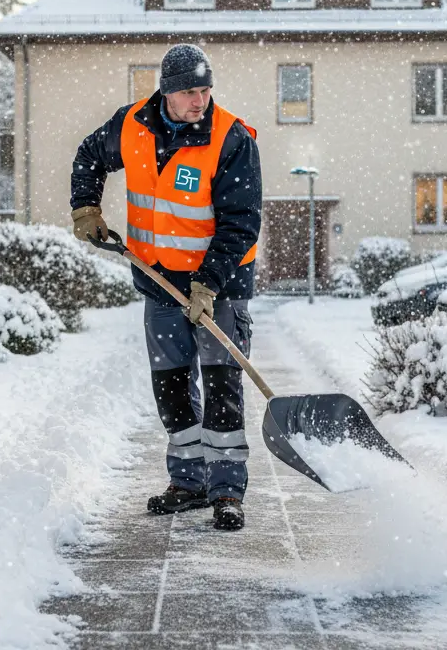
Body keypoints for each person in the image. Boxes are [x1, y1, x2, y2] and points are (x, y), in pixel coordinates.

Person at [69, 44, 262, 531]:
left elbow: (240, 223)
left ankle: (226, 491)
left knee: (221, 385)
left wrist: (208, 284)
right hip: (158, 281)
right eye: (189, 92)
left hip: (219, 283)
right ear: (166, 93)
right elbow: (90, 156)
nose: (200, 101)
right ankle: (189, 482)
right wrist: (86, 207)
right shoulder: (131, 124)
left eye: (205, 90)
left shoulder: (231, 138)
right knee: (172, 383)